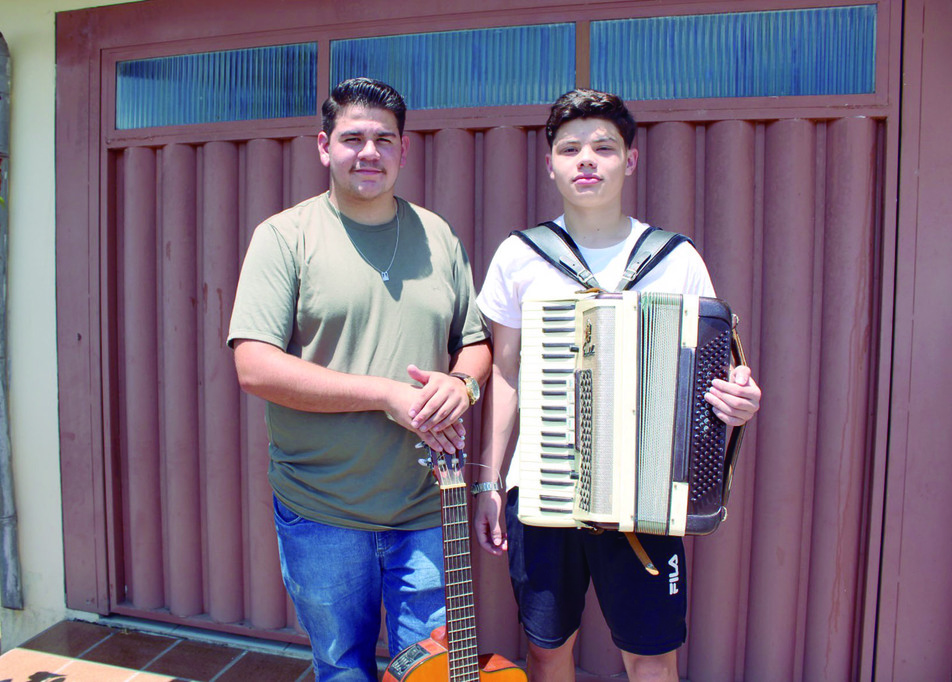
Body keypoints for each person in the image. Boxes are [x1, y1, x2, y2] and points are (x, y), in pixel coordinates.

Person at [472, 89, 761, 682]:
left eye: (604, 147)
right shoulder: (520, 255)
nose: (586, 160)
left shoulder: (675, 259)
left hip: (645, 498)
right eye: (570, 148)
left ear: (629, 160)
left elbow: (713, 373)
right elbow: (505, 370)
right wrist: (489, 480)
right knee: (548, 647)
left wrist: (740, 400)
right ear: (550, 162)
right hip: (542, 489)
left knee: (652, 654)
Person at [227, 77, 491, 681]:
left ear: (405, 150)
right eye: (353, 138)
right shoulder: (284, 237)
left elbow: (474, 343)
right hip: (323, 507)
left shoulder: (438, 235)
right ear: (324, 147)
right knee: (343, 666)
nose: (368, 152)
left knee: (432, 672)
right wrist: (385, 395)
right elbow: (254, 365)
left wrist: (464, 385)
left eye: (383, 139)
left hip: (428, 503)